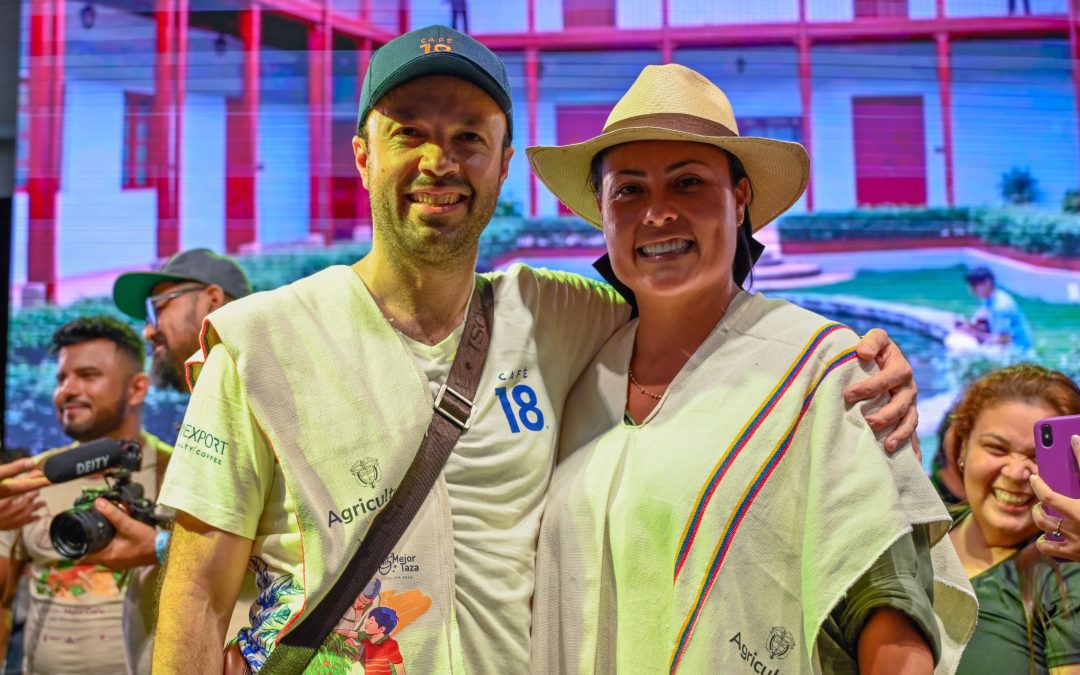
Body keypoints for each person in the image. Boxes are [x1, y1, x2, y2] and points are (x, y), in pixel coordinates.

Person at [152, 26, 923, 674]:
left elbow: (702, 312)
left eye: (468, 137)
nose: (438, 161)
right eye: (408, 132)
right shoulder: (261, 342)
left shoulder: (555, 316)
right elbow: (195, 594)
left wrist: (847, 358)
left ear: (502, 163)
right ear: (362, 155)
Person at [528, 63, 977, 673]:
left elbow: (886, 599)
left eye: (687, 182)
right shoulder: (576, 372)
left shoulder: (821, 367)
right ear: (602, 213)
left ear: (739, 199)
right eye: (629, 190)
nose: (657, 213)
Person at [0, 316, 171, 674]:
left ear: (137, 388)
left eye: (88, 375)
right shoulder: (31, 477)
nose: (67, 390)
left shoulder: (176, 473)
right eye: (61, 378)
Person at [941, 364, 1080, 674]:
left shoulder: (1067, 572)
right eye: (996, 448)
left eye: (1038, 456)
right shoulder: (912, 534)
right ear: (963, 448)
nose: (1017, 473)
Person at [113, 247, 254, 393]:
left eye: (157, 308)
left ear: (213, 300)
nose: (148, 332)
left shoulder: (263, 391)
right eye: (148, 318)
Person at [956, 266, 1034, 354]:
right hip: (1004, 343)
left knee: (964, 349)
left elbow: (1004, 339)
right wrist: (969, 326)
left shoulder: (1001, 306)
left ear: (987, 283)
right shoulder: (989, 298)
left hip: (1016, 349)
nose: (971, 290)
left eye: (974, 285)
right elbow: (983, 319)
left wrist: (973, 333)